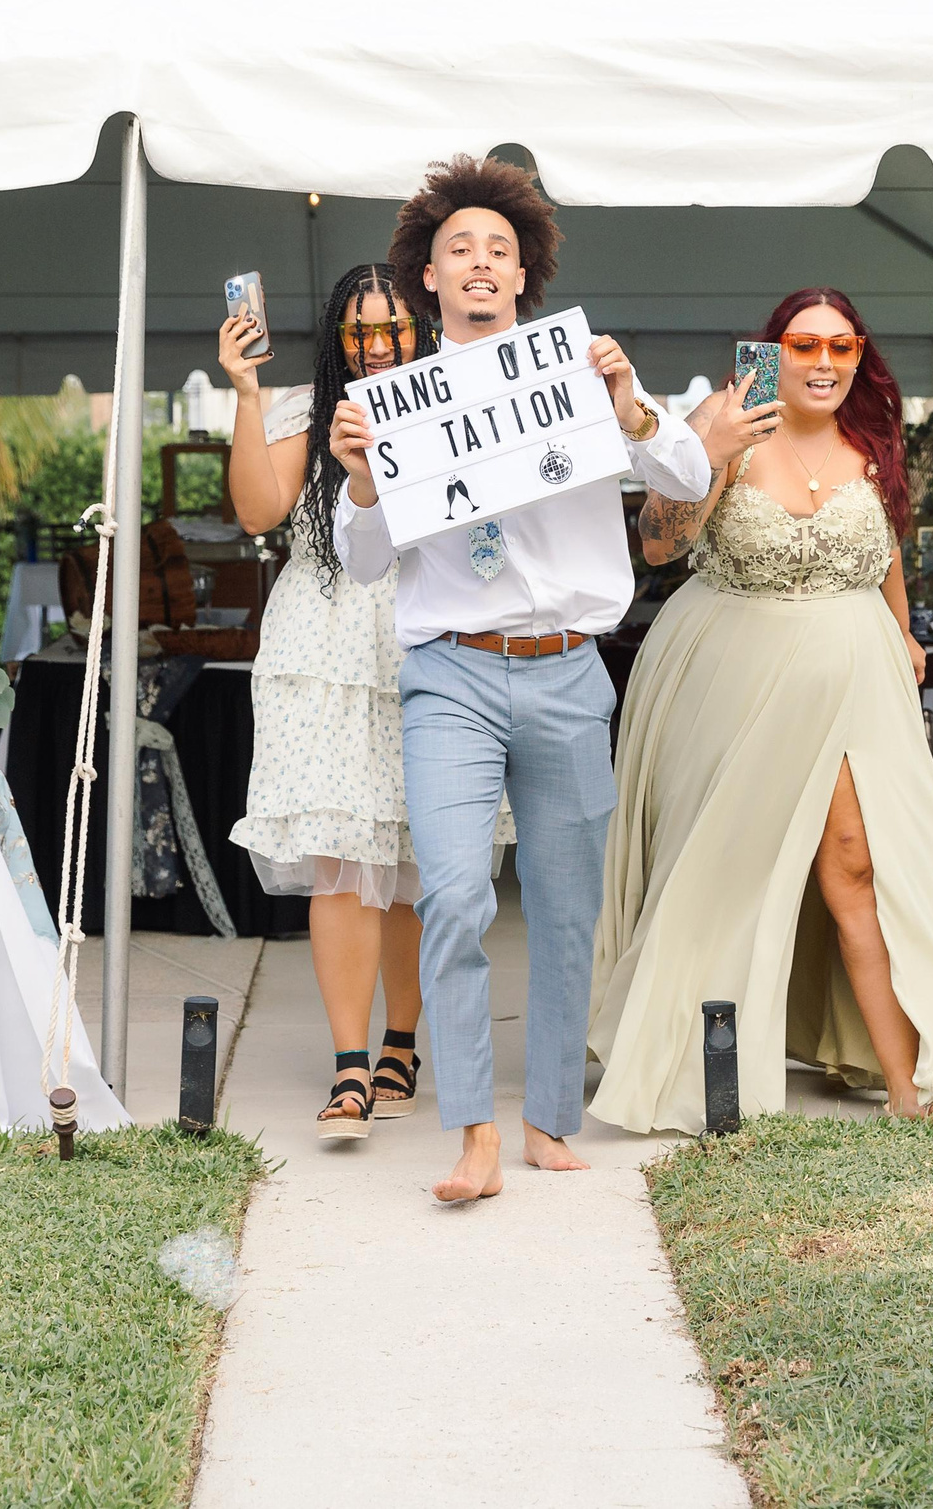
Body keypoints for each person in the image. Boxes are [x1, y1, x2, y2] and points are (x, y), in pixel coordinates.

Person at [328, 155, 713, 1202]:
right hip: (448, 673)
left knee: (564, 903)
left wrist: (633, 406)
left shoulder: (583, 375)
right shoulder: (393, 406)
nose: (482, 264)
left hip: (566, 671)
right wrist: (360, 477)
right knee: (452, 895)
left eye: (500, 249)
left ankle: (546, 1119)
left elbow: (691, 479)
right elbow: (361, 562)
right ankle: (473, 1136)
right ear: (431, 279)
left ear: (524, 271)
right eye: (462, 250)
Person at [588, 288, 933, 1134]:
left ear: (859, 355)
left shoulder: (870, 443)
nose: (823, 362)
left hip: (852, 674)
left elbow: (882, 544)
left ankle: (910, 1083)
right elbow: (657, 542)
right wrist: (711, 449)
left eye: (842, 346)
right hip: (733, 673)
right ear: (773, 349)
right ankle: (682, 1055)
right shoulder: (727, 418)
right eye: (804, 344)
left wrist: (902, 631)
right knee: (722, 867)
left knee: (859, 861)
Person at [224, 263, 511, 1141]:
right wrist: (245, 390)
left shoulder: (452, 412)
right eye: (360, 331)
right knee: (344, 855)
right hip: (322, 647)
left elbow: (493, 539)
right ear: (338, 343)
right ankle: (351, 1065)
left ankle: (401, 1042)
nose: (378, 345)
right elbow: (258, 511)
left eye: (392, 329)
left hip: (425, 634)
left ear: (418, 332)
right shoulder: (309, 418)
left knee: (415, 861)